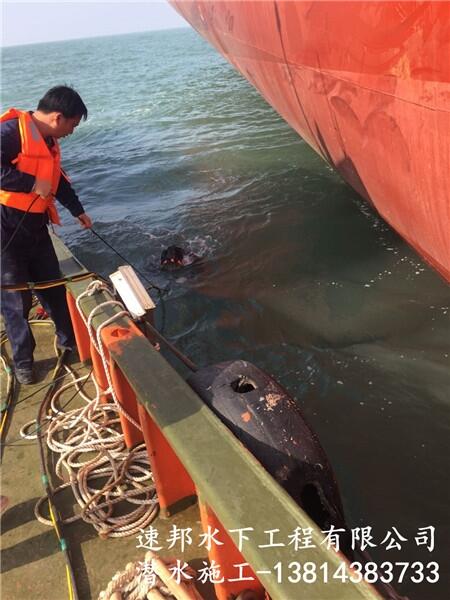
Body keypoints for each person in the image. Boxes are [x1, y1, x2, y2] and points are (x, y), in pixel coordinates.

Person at [0, 85, 92, 385]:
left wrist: (77, 210)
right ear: (57, 117)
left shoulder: (49, 141)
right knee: (15, 299)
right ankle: (24, 362)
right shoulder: (11, 132)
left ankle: (70, 343)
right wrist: (28, 183)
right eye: (73, 125)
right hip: (6, 229)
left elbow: (57, 180)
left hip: (37, 228)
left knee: (52, 287)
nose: (72, 132)